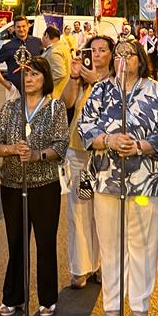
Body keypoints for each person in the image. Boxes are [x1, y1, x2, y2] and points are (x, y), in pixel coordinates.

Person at [79, 38, 158, 316]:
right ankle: (112, 306)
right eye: (118, 54)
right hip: (108, 181)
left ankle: (140, 306)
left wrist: (138, 146)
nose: (123, 59)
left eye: (129, 54)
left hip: (147, 183)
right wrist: (108, 140)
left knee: (143, 245)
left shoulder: (155, 90)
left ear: (140, 59)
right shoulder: (101, 89)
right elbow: (85, 127)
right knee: (111, 246)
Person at [0, 55, 69, 316]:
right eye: (25, 74)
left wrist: (37, 155)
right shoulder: (10, 107)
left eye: (35, 74)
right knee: (16, 241)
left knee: (45, 242)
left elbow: (61, 145)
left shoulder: (55, 108)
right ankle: (14, 296)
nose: (29, 79)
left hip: (45, 184)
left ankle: (47, 297)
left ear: (45, 78)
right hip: (12, 184)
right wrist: (12, 149)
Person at [59, 49, 102, 289]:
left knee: (105, 212)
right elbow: (66, 103)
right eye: (92, 50)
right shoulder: (83, 81)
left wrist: (97, 81)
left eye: (102, 50)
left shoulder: (117, 80)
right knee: (79, 211)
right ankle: (81, 267)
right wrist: (75, 77)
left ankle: (103, 265)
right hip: (79, 154)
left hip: (106, 157)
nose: (96, 55)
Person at [0, 16, 43, 101]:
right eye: (18, 27)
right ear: (14, 28)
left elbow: (44, 63)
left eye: (23, 26)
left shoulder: (37, 42)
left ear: (28, 26)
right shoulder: (8, 46)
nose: (21, 29)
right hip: (15, 90)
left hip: (35, 88)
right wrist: (4, 82)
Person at [41, 25, 71, 99]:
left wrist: (43, 82)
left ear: (46, 35)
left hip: (55, 94)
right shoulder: (62, 47)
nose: (41, 39)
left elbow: (59, 73)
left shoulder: (54, 51)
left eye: (42, 35)